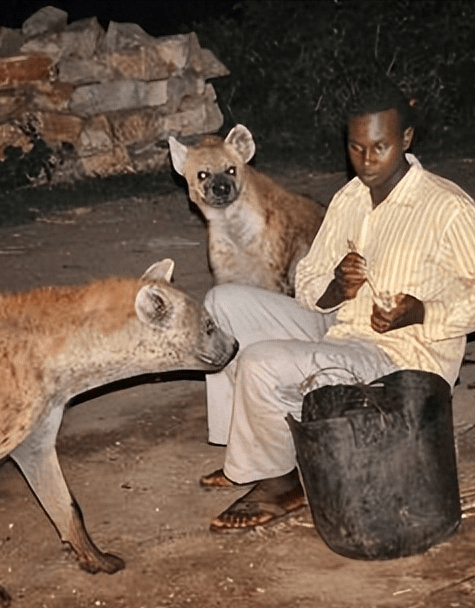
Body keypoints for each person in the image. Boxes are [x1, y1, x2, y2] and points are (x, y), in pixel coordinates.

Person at [199, 75, 475, 532]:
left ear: (406, 139)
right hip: (343, 326)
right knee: (221, 305)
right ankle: (244, 453)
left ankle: (282, 481)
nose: (366, 161)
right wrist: (336, 288)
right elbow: (309, 284)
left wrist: (422, 311)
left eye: (379, 147)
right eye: (355, 147)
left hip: (399, 358)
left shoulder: (448, 208)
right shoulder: (351, 198)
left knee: (263, 362)